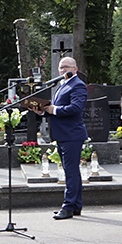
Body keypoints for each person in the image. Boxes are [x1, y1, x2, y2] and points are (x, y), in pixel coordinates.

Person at [33, 57, 87, 220]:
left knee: (70, 171)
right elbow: (55, 108)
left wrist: (53, 109)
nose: (63, 70)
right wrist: (42, 110)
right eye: (60, 67)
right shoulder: (61, 86)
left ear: (75, 69)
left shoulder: (78, 85)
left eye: (66, 67)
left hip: (72, 134)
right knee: (71, 170)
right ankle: (76, 205)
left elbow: (76, 108)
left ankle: (68, 206)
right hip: (63, 134)